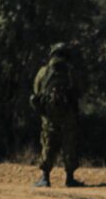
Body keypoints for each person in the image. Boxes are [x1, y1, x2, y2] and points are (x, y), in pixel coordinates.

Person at [29, 43, 81, 187]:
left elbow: (36, 92)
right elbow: (79, 91)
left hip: (49, 116)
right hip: (68, 116)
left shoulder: (43, 72)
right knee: (69, 144)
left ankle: (45, 178)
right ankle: (70, 178)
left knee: (48, 144)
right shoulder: (71, 72)